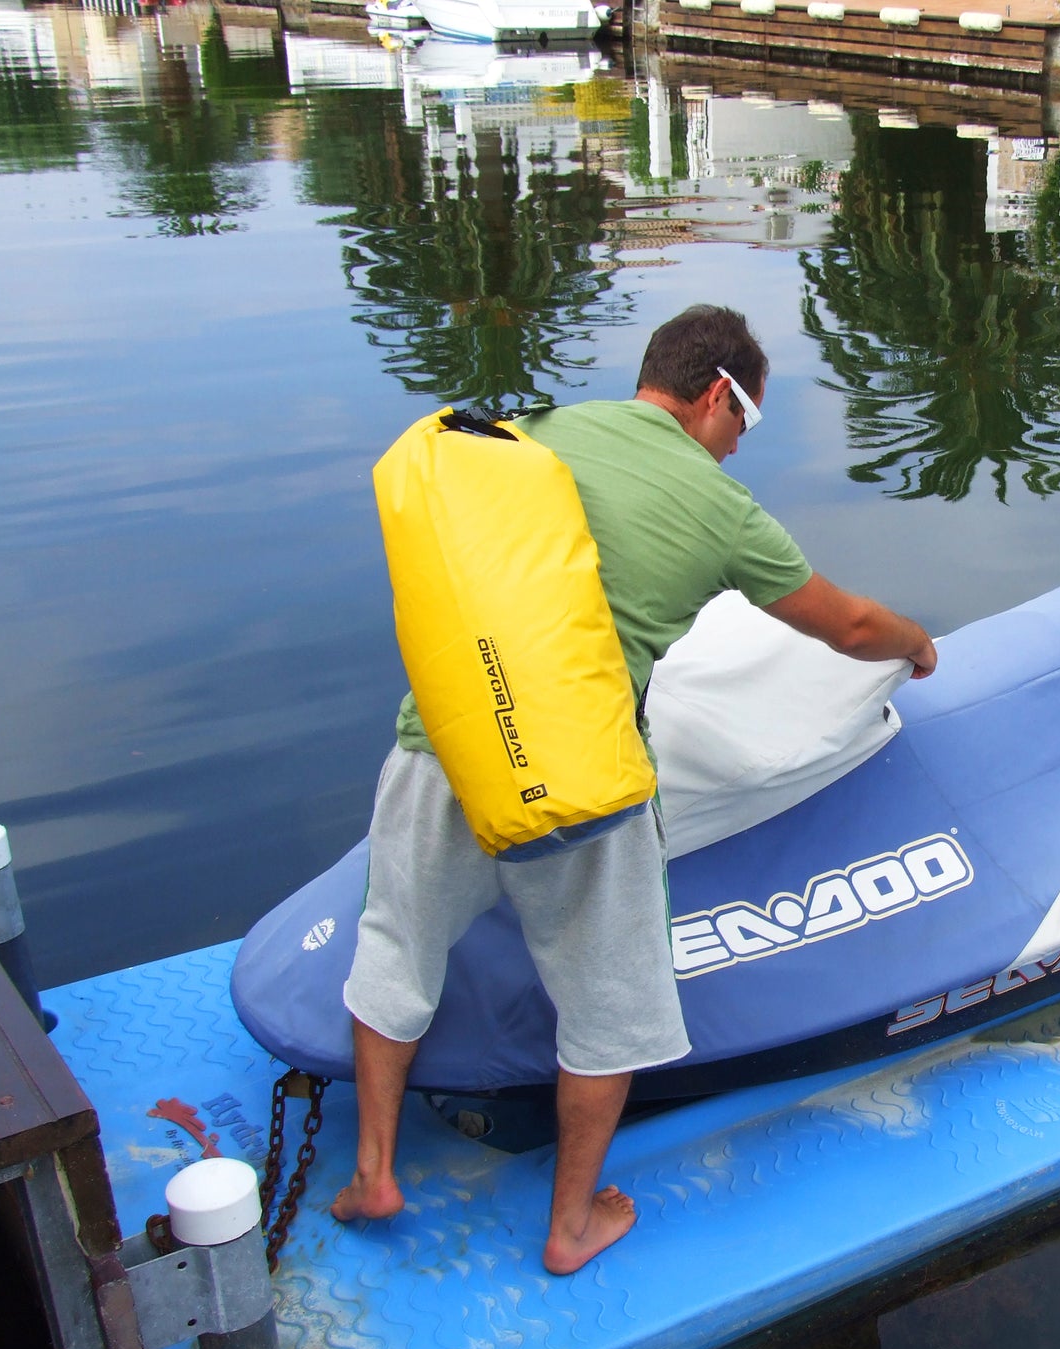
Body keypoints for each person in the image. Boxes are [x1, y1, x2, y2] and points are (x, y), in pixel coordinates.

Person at [331, 305, 938, 1274]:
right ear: (712, 397)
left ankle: (372, 1171)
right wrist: (918, 644)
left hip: (438, 735)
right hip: (577, 772)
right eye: (746, 421)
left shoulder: (535, 436)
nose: (738, 445)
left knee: (394, 944)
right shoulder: (716, 504)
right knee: (609, 1006)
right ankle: (571, 1224)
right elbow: (852, 627)